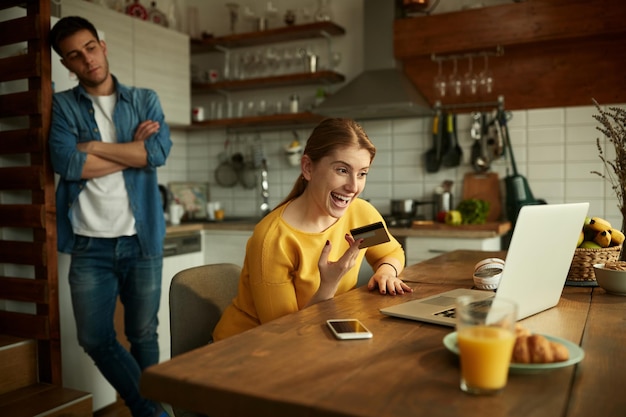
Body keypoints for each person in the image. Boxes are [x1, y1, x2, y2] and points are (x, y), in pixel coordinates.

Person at [49, 16, 172, 417]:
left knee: (142, 334)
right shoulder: (63, 105)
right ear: (67, 65)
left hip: (141, 238)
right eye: (73, 56)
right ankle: (152, 411)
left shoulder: (144, 99)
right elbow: (68, 164)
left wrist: (94, 147)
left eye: (89, 47)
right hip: (88, 244)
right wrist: (127, 152)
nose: (86, 59)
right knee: (95, 337)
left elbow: (155, 154)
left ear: (102, 45)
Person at [213, 118, 412, 341]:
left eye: (362, 173)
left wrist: (386, 271)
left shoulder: (360, 215)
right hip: (244, 350)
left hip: (318, 336)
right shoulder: (273, 239)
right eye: (342, 170)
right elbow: (284, 332)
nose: (353, 187)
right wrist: (328, 284)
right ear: (308, 167)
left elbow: (390, 252)